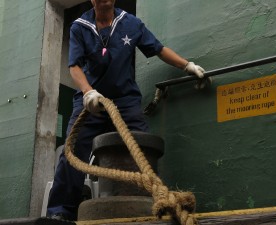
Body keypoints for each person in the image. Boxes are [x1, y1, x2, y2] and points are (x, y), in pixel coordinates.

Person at [47, 0, 205, 221]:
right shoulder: (80, 26)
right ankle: (59, 212)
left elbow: (158, 49)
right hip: (90, 100)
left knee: (141, 148)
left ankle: (151, 204)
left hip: (125, 101)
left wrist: (187, 65)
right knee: (70, 153)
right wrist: (88, 92)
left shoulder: (130, 23)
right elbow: (74, 66)